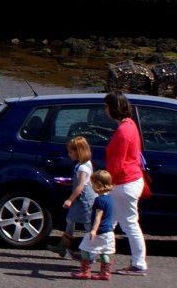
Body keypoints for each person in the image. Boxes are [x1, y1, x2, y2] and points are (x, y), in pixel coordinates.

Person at [103, 92, 148, 275]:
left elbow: (117, 163)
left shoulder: (123, 131)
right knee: (110, 221)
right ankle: (95, 252)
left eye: (106, 107)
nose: (105, 110)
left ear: (113, 109)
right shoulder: (130, 125)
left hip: (123, 183)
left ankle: (139, 263)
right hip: (129, 181)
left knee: (128, 224)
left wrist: (105, 183)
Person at [56, 136, 95, 258]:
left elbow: (80, 186)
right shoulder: (86, 164)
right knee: (70, 220)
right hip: (81, 199)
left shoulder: (82, 167)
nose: (69, 154)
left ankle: (94, 250)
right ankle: (64, 247)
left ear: (78, 152)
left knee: (88, 224)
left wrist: (69, 199)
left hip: (84, 200)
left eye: (71, 152)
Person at [75, 170, 117, 280]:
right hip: (108, 232)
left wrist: (93, 230)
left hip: (99, 232)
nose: (91, 186)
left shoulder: (99, 200)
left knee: (84, 249)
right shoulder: (110, 199)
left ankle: (85, 271)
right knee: (104, 252)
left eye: (92, 184)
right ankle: (105, 273)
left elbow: (98, 216)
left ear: (98, 185)